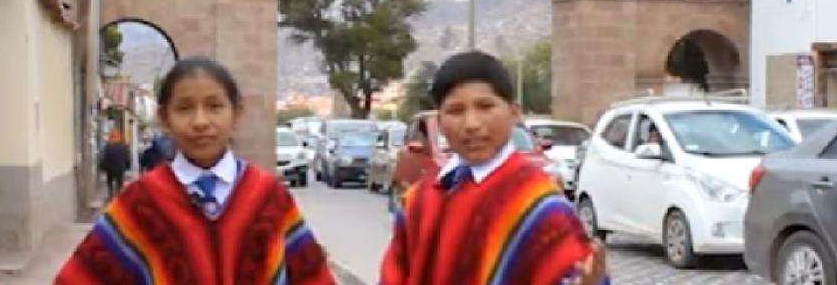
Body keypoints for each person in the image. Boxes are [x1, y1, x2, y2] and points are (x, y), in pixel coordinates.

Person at [55, 57, 335, 284]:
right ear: (165, 118)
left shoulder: (269, 198)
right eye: (184, 108)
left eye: (215, 107)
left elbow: (312, 277)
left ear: (236, 114)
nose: (200, 121)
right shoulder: (140, 202)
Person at [379, 51, 609, 285]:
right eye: (456, 111)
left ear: (514, 112)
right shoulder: (418, 202)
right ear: (440, 122)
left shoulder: (542, 206)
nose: (471, 124)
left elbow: (578, 274)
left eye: (485, 106)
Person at [98, 129, 131, 200]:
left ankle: (111, 195)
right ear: (119, 137)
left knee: (110, 182)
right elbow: (127, 158)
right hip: (120, 169)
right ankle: (119, 196)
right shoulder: (123, 146)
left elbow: (104, 158)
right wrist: (127, 166)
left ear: (111, 137)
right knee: (119, 183)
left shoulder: (108, 146)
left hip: (110, 169)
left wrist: (103, 167)